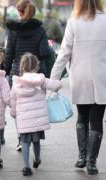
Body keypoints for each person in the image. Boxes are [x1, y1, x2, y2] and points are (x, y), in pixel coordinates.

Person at [50, 0, 106, 175]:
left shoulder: (74, 22)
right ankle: (92, 162)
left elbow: (64, 53)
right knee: (96, 119)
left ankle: (82, 156)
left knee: (82, 117)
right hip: (102, 76)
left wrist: (53, 78)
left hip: (80, 77)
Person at [3, 0, 51, 151]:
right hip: (36, 75)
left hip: (18, 74)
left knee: (19, 108)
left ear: (20, 12)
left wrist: (4, 69)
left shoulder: (12, 30)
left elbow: (9, 54)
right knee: (35, 107)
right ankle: (35, 137)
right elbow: (44, 53)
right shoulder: (40, 30)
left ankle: (21, 138)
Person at [10, 53, 62, 176]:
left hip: (23, 120)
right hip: (38, 119)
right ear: (36, 66)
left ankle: (26, 167)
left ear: (22, 66)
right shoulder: (40, 79)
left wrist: (14, 113)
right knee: (36, 141)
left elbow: (12, 100)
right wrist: (59, 85)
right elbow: (55, 85)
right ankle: (37, 159)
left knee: (25, 143)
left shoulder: (17, 82)